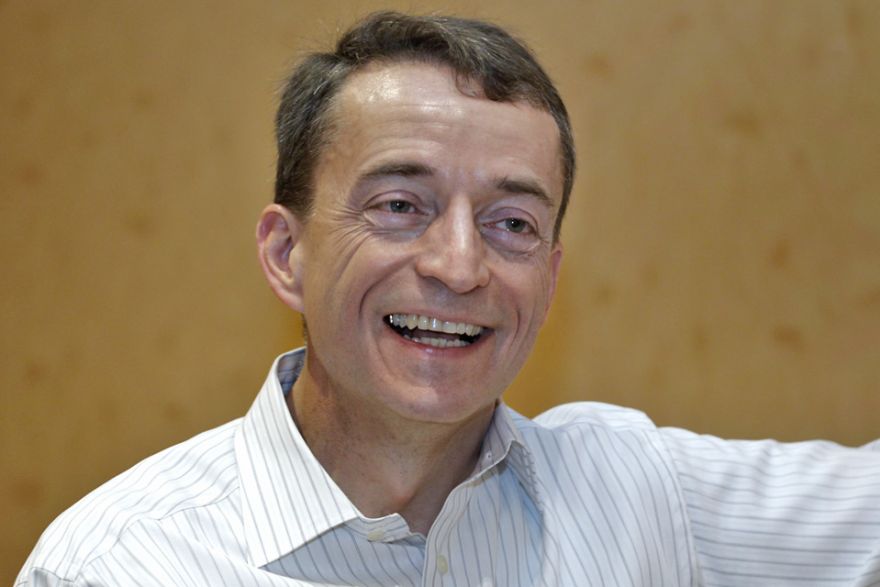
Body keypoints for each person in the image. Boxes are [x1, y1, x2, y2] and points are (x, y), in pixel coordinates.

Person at [17, 11, 880, 587]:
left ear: (550, 278)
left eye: (512, 223)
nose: (460, 266)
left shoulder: (633, 492)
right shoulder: (117, 565)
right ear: (286, 253)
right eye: (401, 205)